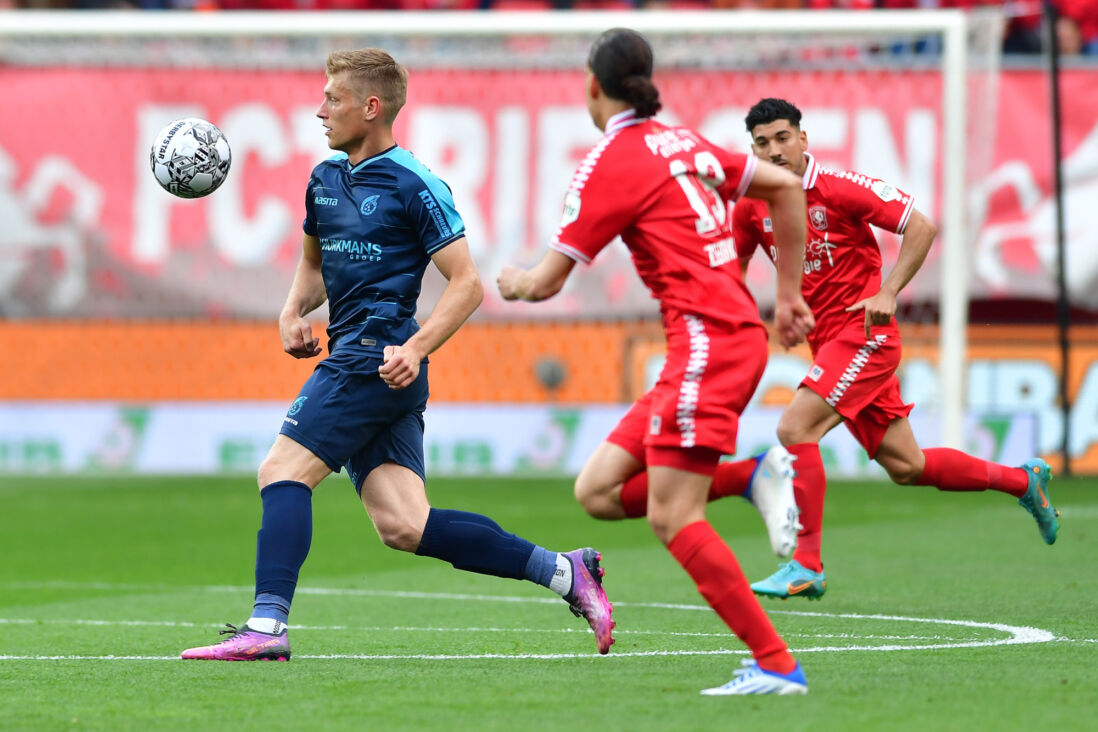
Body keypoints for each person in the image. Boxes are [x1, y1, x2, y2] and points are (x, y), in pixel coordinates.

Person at [180, 48, 614, 662]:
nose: (320, 110)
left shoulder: (416, 183)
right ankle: (566, 572)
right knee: (405, 525)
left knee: (281, 471)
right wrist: (290, 313)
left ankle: (267, 626)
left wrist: (415, 347)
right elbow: (313, 264)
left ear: (371, 106)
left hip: (373, 358)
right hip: (374, 366)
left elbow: (466, 284)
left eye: (332, 98)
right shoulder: (324, 179)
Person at [498, 28, 815, 696]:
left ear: (592, 84)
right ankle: (752, 474)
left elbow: (548, 282)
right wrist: (785, 298)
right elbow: (786, 187)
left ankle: (777, 664)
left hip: (706, 343)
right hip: (723, 339)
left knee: (673, 517)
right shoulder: (686, 141)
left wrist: (513, 280)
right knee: (598, 492)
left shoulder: (610, 161)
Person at [722, 97, 1060, 601]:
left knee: (795, 426)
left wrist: (888, 292)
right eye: (762, 143)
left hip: (867, 337)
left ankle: (806, 564)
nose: (774, 151)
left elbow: (921, 226)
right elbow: (733, 267)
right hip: (829, 346)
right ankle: (1022, 481)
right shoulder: (753, 206)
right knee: (908, 466)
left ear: (803, 139)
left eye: (782, 138)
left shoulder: (839, 188)